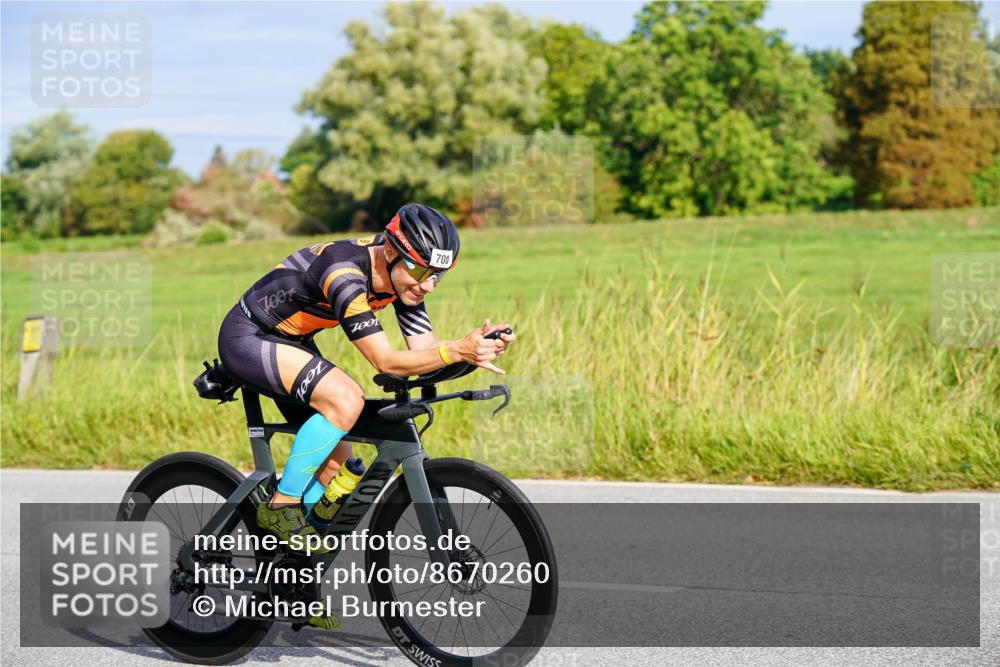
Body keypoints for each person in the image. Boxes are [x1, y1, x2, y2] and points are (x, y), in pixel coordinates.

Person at [216, 203, 513, 578]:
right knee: (346, 398)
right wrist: (455, 349)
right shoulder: (344, 273)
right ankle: (280, 506)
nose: (427, 285)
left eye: (438, 275)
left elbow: (423, 355)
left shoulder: (404, 280)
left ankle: (289, 574)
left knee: (339, 472)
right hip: (249, 337)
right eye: (420, 271)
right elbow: (386, 361)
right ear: (391, 252)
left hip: (294, 340)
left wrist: (474, 352)